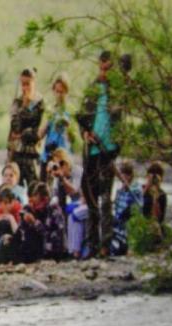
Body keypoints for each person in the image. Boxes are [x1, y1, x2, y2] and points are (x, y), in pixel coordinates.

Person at [77, 50, 122, 257]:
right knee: (90, 195)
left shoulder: (118, 93)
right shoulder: (92, 90)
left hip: (109, 150)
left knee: (106, 198)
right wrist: (85, 133)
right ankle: (92, 245)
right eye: (103, 67)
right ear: (99, 65)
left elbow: (121, 124)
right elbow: (82, 118)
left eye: (109, 68)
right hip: (92, 151)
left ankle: (105, 245)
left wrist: (116, 147)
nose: (105, 72)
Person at [7, 68, 45, 187]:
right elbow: (15, 127)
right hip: (17, 153)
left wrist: (25, 133)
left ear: (34, 82)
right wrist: (24, 107)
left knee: (34, 188)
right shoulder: (17, 102)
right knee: (15, 188)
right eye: (23, 84)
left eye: (28, 84)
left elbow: (38, 131)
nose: (25, 88)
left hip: (33, 154)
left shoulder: (40, 103)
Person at [38, 73, 79, 180]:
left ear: (66, 92)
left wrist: (67, 127)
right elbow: (40, 134)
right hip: (48, 153)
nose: (59, 95)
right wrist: (48, 123)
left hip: (63, 156)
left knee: (62, 190)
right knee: (43, 184)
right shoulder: (50, 110)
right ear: (53, 91)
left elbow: (73, 139)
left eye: (62, 92)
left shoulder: (71, 111)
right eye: (57, 91)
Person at [17, 182, 66, 263]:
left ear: (46, 200)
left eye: (38, 203)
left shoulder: (54, 210)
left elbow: (51, 235)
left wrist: (35, 223)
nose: (36, 207)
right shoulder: (31, 208)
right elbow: (22, 230)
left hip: (52, 249)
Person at [110, 161, 142, 255]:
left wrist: (128, 189)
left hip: (129, 221)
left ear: (130, 175)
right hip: (118, 223)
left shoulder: (136, 188)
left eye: (126, 175)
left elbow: (138, 205)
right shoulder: (119, 190)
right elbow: (116, 207)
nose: (123, 178)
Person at [47, 148, 82, 215]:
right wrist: (50, 175)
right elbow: (54, 195)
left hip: (79, 204)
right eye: (56, 165)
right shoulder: (58, 175)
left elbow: (74, 192)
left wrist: (62, 178)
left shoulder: (77, 170)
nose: (60, 167)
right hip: (65, 206)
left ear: (67, 162)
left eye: (61, 163)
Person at [142, 161, 167, 235]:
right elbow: (137, 203)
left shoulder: (162, 194)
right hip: (141, 225)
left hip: (154, 229)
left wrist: (155, 197)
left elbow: (160, 217)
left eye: (158, 174)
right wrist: (147, 186)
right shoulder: (141, 189)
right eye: (152, 173)